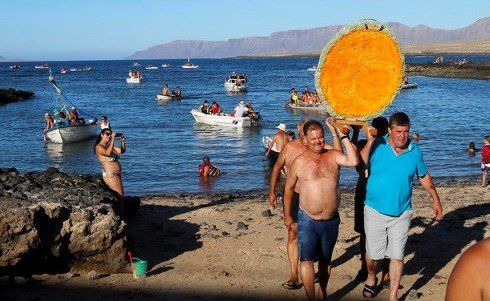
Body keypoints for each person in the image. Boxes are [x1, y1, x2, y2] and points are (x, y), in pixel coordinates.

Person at [360, 112, 443, 300]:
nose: (402, 136)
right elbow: (359, 164)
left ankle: (393, 296)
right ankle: (372, 277)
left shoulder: (415, 151)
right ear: (390, 130)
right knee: (373, 256)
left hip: (402, 213)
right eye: (398, 131)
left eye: (406, 131)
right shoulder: (378, 144)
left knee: (397, 256)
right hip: (374, 211)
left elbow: (424, 177)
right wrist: (370, 141)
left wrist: (436, 200)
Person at [283, 120, 358, 300]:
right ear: (306, 140)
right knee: (306, 260)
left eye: (320, 137)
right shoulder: (299, 162)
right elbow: (288, 189)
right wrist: (287, 215)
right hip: (307, 219)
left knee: (325, 262)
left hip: (331, 220)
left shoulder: (333, 156)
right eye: (313, 138)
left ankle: (321, 292)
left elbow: (354, 160)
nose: (318, 141)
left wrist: (342, 135)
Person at [268, 118, 341, 291]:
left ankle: (312, 267)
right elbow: (277, 167)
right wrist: (272, 191)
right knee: (292, 233)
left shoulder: (323, 148)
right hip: (295, 195)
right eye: (302, 134)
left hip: (315, 202)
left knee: (317, 248)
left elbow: (339, 156)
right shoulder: (290, 148)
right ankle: (294, 275)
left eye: (305, 134)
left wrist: (339, 134)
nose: (303, 138)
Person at [349, 117, 390, 282]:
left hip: (381, 192)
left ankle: (385, 272)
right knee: (363, 232)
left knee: (385, 232)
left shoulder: (388, 146)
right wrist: (356, 131)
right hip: (363, 190)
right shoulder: (364, 143)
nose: (379, 132)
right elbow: (356, 161)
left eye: (382, 130)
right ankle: (364, 267)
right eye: (376, 129)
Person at [94, 128, 126, 213]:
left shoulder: (108, 145)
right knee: (120, 197)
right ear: (102, 135)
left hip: (116, 174)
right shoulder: (99, 147)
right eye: (107, 134)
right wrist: (112, 139)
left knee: (119, 196)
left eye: (110, 134)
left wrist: (122, 140)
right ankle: (121, 217)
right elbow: (107, 154)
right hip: (111, 175)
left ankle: (120, 215)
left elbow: (121, 151)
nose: (109, 136)